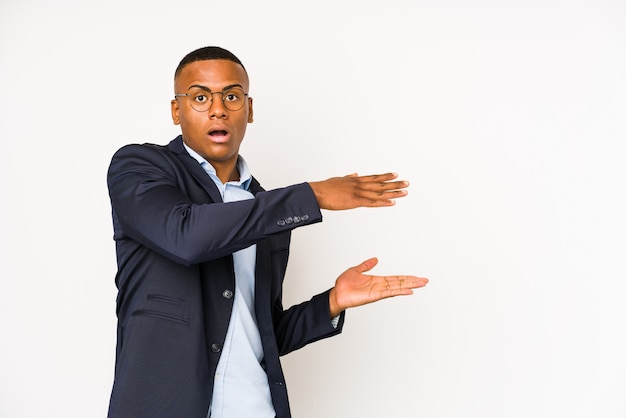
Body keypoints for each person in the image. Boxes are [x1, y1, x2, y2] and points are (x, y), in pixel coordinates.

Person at [106, 46, 428, 418]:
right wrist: (313, 194)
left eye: (231, 95)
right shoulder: (140, 167)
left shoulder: (268, 210)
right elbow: (186, 237)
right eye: (199, 97)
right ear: (176, 110)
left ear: (249, 109)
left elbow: (262, 331)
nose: (217, 109)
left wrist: (332, 303)